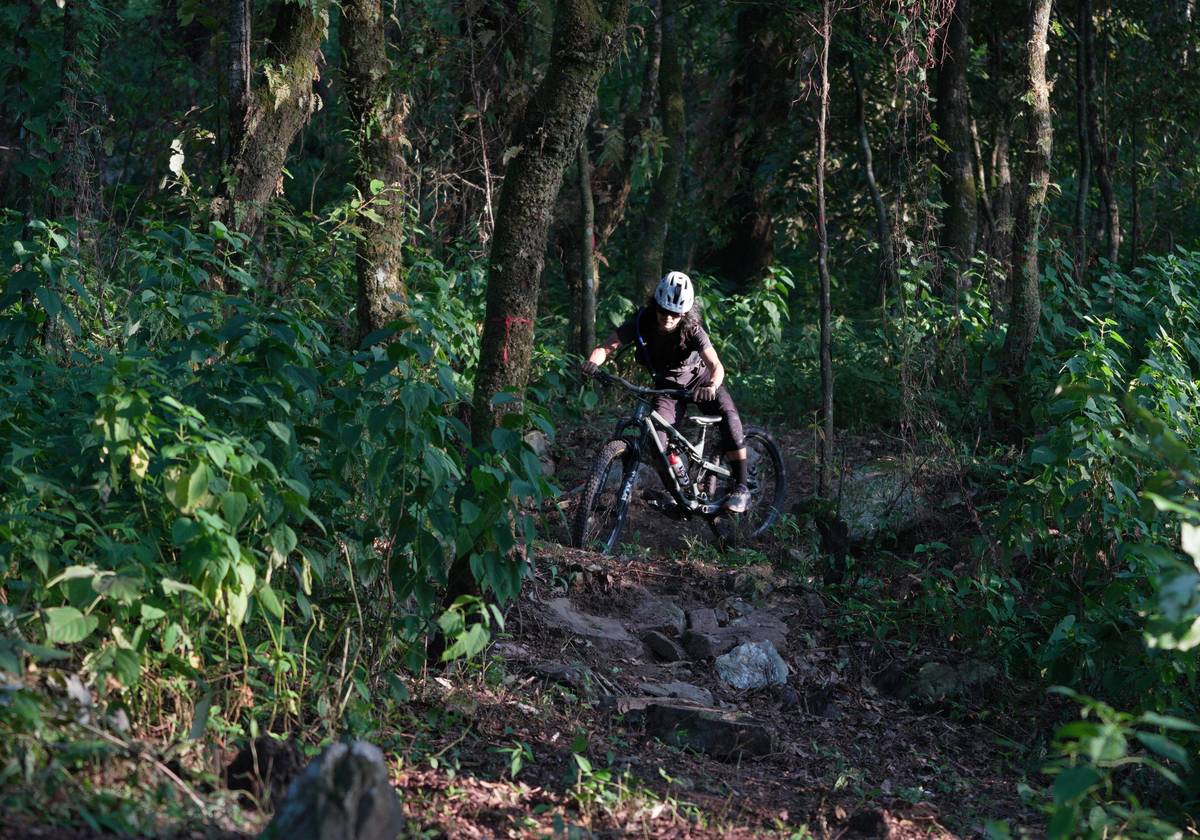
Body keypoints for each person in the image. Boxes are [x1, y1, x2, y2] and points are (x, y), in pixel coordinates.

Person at [580, 271, 751, 513]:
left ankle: (742, 488)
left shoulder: (692, 329)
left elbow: (716, 366)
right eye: (664, 312)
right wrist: (593, 363)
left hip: (700, 381)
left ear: (684, 313)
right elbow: (607, 346)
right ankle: (679, 495)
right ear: (655, 306)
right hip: (668, 388)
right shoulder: (641, 321)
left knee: (730, 418)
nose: (668, 319)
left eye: (675, 314)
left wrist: (711, 386)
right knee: (658, 443)